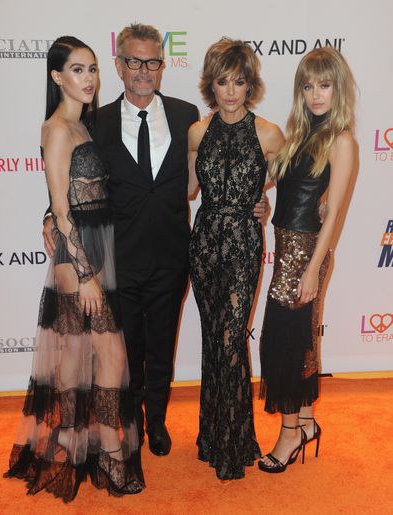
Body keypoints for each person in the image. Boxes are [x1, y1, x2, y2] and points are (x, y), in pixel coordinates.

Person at [43, 24, 199, 456]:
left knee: (162, 346)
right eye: (134, 61)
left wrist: (255, 204)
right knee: (123, 353)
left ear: (162, 66)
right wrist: (48, 214)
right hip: (117, 257)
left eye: (152, 62)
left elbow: (204, 177)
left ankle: (159, 422)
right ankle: (128, 425)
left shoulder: (188, 115)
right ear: (119, 65)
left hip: (171, 254)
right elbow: (74, 182)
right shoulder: (96, 119)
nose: (143, 71)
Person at [4, 36, 144, 501]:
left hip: (97, 246)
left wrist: (53, 220)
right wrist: (85, 273)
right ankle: (98, 448)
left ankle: (79, 445)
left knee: (91, 359)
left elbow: (60, 200)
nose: (89, 79)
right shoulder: (58, 128)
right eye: (78, 70)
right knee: (103, 359)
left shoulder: (83, 124)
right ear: (56, 76)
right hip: (77, 254)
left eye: (92, 69)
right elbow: (63, 210)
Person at [188, 38, 285, 480]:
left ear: (251, 83)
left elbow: (295, 186)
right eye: (222, 81)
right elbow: (189, 191)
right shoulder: (197, 131)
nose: (230, 91)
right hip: (204, 242)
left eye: (239, 81)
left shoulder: (268, 133)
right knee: (214, 338)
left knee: (231, 340)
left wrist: (266, 205)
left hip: (244, 243)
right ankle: (212, 438)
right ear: (212, 83)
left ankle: (234, 442)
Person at [258, 46, 356, 473]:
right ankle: (308, 423)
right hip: (285, 249)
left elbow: (333, 213)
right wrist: (265, 208)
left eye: (325, 84)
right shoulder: (296, 135)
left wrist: (314, 269)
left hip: (308, 254)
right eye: (309, 85)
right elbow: (287, 190)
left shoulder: (342, 140)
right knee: (296, 341)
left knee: (287, 343)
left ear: (338, 88)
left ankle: (290, 434)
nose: (317, 94)